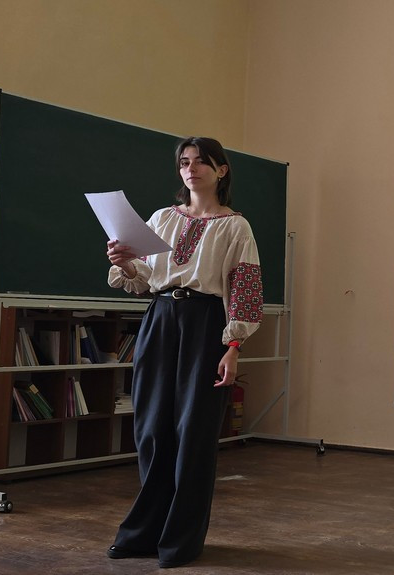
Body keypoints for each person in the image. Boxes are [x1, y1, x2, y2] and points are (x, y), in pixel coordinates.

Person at [103, 136, 263, 569]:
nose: (191, 169)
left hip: (206, 325)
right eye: (184, 162)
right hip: (160, 320)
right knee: (152, 429)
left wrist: (233, 347)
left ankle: (180, 541)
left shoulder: (236, 227)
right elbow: (142, 277)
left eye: (201, 162)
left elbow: (245, 289)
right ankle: (143, 534)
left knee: (194, 433)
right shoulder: (161, 218)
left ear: (221, 170)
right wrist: (123, 262)